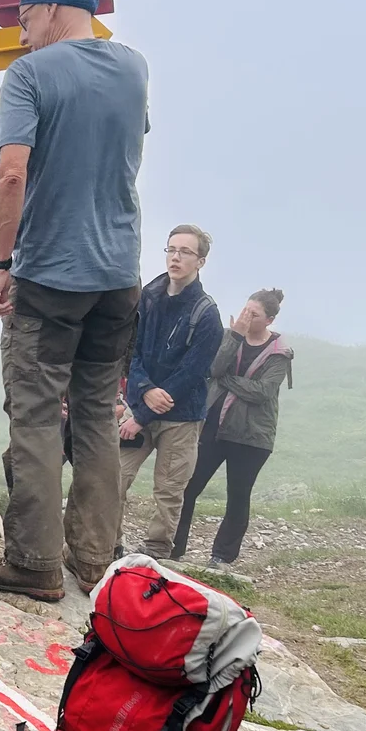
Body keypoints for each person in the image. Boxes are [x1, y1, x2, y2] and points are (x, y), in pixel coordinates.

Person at [0, 0, 149, 602]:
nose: (22, 37)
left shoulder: (29, 74)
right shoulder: (134, 67)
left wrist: (1, 262)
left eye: (25, 22)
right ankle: (95, 558)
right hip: (119, 274)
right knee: (98, 412)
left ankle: (35, 562)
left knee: (37, 413)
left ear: (50, 10)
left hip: (51, 271)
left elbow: (12, 174)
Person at [116, 225, 223, 560]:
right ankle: (107, 541)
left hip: (182, 416)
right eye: (171, 249)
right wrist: (144, 391)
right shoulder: (149, 296)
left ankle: (157, 551)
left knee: (169, 489)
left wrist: (144, 412)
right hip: (141, 404)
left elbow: (193, 372)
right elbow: (132, 351)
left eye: (185, 252)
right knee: (115, 475)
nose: (175, 257)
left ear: (200, 261)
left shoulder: (207, 314)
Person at [173, 289, 293, 565]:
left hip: (252, 435)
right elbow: (214, 369)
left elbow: (262, 392)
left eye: (254, 314)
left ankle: (222, 557)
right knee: (188, 487)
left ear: (269, 320)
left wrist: (226, 380)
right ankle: (173, 547)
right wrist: (235, 337)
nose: (246, 317)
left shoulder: (280, 353)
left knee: (238, 496)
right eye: (245, 310)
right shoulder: (230, 336)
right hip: (213, 427)